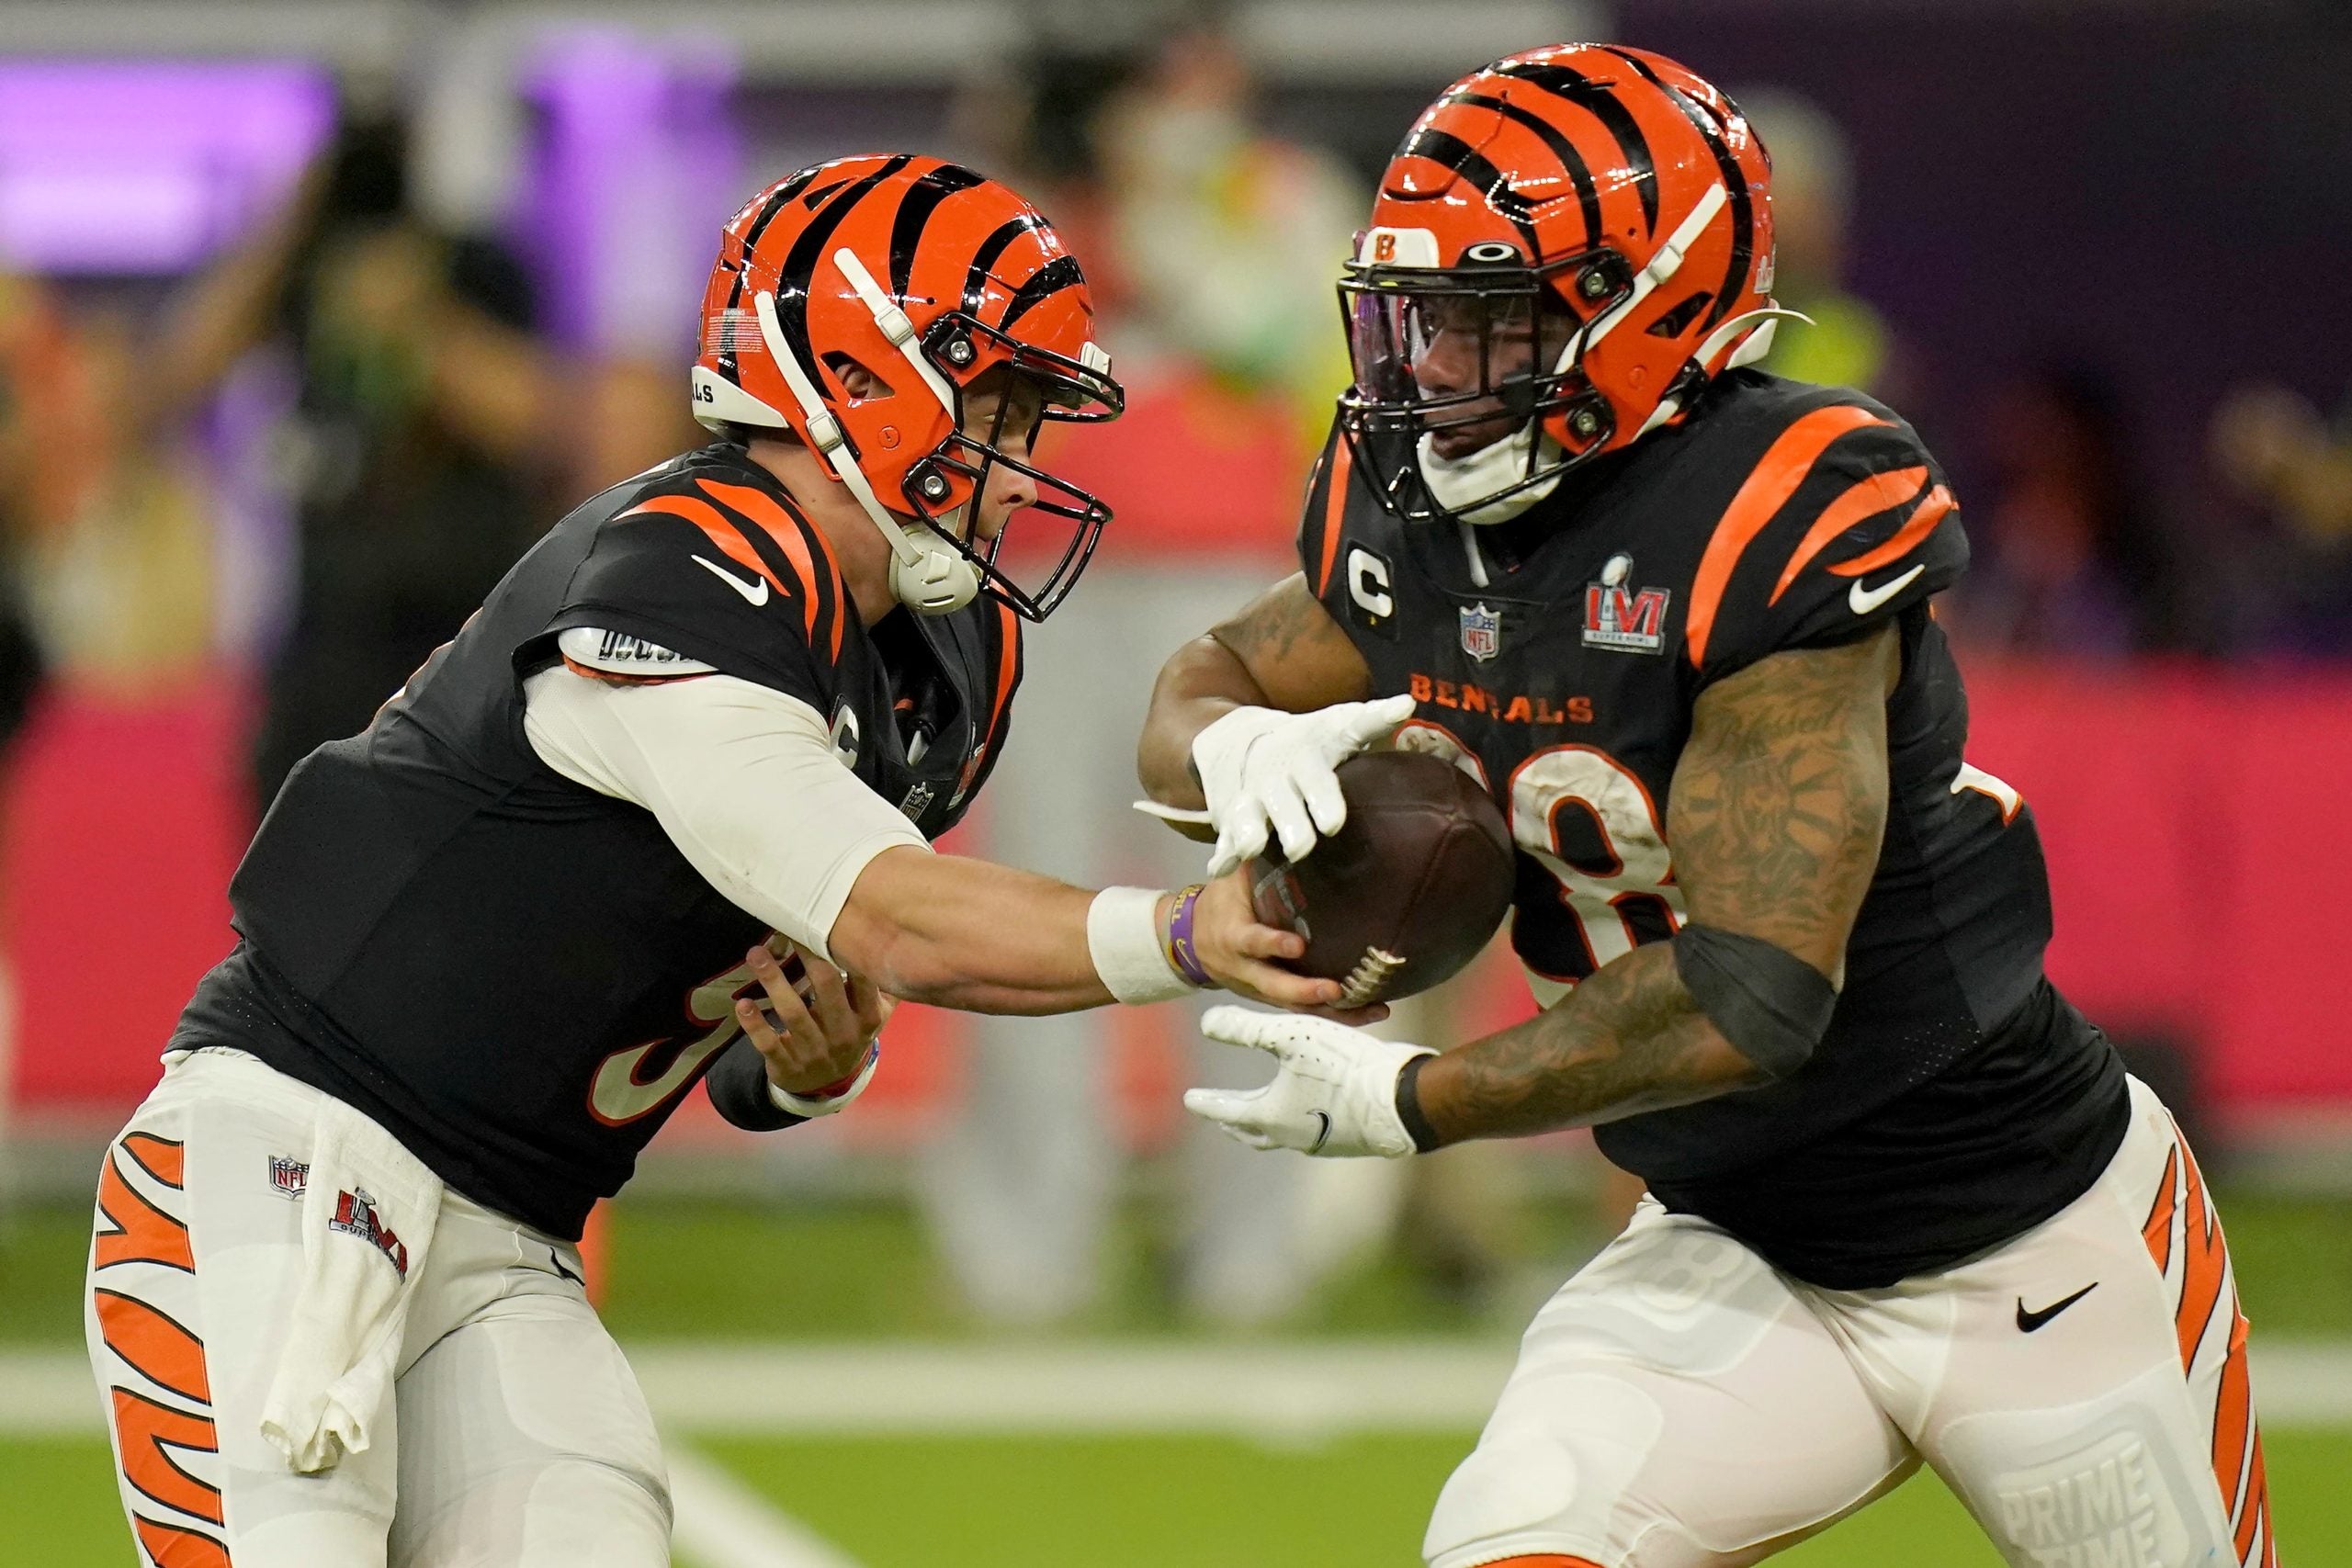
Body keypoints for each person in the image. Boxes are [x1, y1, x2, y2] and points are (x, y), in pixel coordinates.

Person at [83, 155, 1347, 1568]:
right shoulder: (693, 567)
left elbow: (765, 1003)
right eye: (1000, 404)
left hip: (510, 1238)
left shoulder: (945, 655)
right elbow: (901, 921)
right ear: (866, 382)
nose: (1029, 457)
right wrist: (1187, 928)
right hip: (301, 1167)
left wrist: (810, 1066)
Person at [1140, 48, 2275, 1568]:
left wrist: (1424, 1100)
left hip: (2031, 1245)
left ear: (1648, 310)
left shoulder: (1777, 505)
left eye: (1492, 324)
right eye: (1417, 325)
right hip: (1729, 1241)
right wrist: (1222, 747)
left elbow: (1754, 992)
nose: (1433, 379)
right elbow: (1211, 671)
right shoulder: (1411, 510)